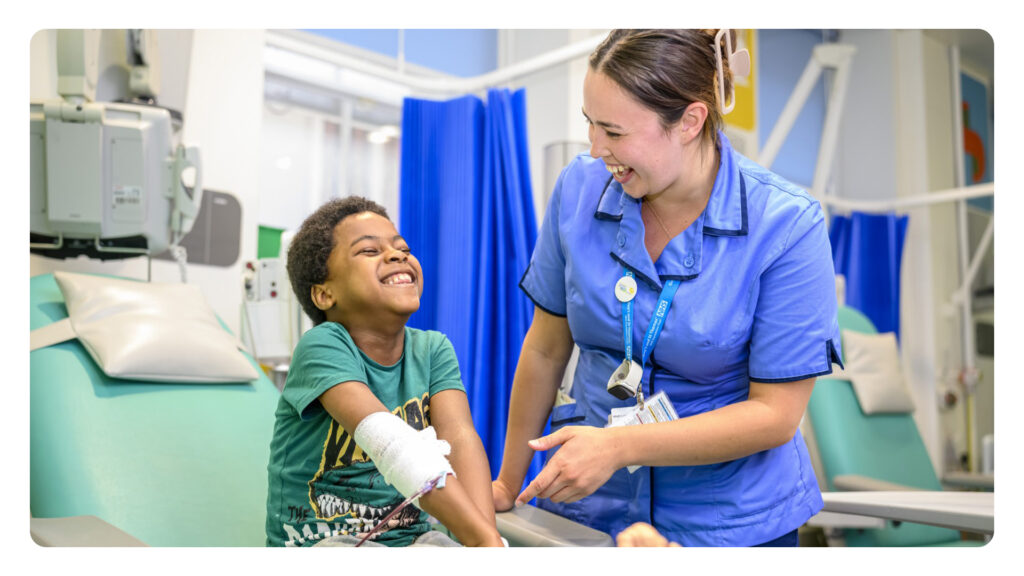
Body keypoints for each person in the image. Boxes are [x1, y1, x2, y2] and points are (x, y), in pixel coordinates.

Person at [491, 29, 842, 547]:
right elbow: (545, 349)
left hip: (727, 521)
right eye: (590, 124)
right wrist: (507, 481)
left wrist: (620, 446)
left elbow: (775, 415)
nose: (595, 148)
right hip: (590, 507)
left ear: (691, 121)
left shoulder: (787, 225)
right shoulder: (578, 190)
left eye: (614, 131)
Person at [266, 196, 503, 547]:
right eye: (368, 251)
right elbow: (389, 442)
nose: (397, 255)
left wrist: (486, 542)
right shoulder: (323, 346)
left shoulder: (432, 349)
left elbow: (460, 441)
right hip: (324, 544)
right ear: (324, 294)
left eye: (402, 247)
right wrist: (485, 543)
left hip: (411, 541)